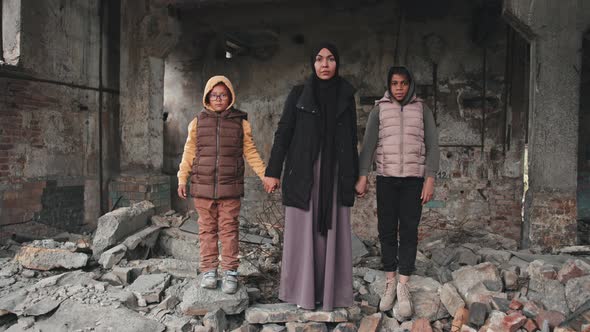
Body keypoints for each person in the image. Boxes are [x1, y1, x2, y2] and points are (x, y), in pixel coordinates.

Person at [263, 43, 359, 311]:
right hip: (304, 171)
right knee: (302, 232)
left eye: (330, 59)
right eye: (319, 59)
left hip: (336, 173)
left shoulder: (345, 95)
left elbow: (352, 138)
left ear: (337, 63)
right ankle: (300, 293)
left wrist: (359, 175)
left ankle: (333, 295)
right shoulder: (298, 94)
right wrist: (273, 171)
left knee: (334, 231)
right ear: (312, 64)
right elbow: (283, 133)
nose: (324, 64)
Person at [355, 66, 439, 318]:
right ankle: (390, 281)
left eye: (403, 83)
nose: (399, 88)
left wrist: (430, 179)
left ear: (410, 84)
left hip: (413, 180)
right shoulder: (379, 110)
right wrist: (362, 176)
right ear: (388, 85)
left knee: (410, 230)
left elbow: (433, 145)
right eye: (394, 83)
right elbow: (368, 145)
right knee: (387, 230)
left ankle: (404, 285)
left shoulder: (422, 109)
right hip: (387, 179)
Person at [177, 75, 266, 294]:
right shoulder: (197, 122)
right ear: (207, 97)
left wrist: (265, 175)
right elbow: (189, 151)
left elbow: (251, 152)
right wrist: (182, 178)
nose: (218, 99)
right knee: (207, 230)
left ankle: (230, 272)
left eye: (223, 95)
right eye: (214, 95)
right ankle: (209, 270)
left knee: (229, 230)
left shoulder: (240, 123)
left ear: (230, 97)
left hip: (230, 187)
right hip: (202, 187)